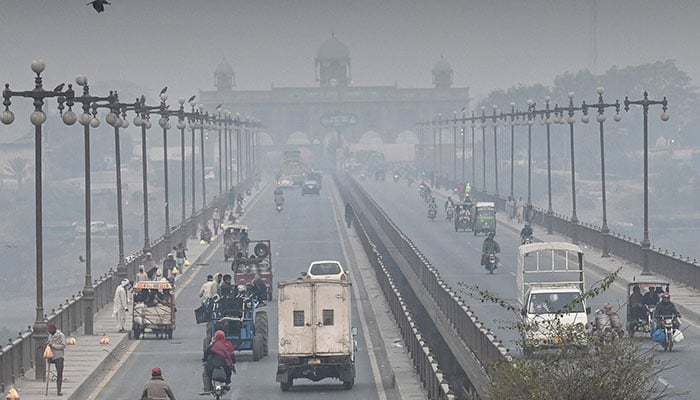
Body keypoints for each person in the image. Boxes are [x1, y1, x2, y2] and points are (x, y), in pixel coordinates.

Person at [47, 322, 66, 396]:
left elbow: (63, 345)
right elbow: (49, 344)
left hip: (59, 356)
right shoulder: (50, 336)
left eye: (50, 330)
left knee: (59, 373)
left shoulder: (61, 335)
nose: (49, 331)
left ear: (53, 329)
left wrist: (54, 346)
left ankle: (59, 390)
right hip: (51, 356)